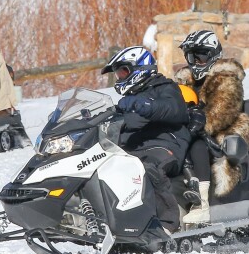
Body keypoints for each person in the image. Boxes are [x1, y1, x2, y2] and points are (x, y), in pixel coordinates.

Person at [101, 46, 191, 233]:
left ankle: (167, 224)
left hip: (166, 143)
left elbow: (174, 109)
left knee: (147, 168)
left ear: (140, 67)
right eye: (118, 73)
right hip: (136, 148)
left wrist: (146, 105)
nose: (120, 77)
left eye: (123, 71)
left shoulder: (165, 87)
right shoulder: (128, 99)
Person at [175, 30, 249, 223]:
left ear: (213, 54)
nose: (196, 60)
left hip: (223, 135)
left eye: (201, 55)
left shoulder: (226, 79)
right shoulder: (184, 84)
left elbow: (222, 113)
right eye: (192, 56)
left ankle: (203, 205)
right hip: (187, 132)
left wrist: (198, 121)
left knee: (196, 145)